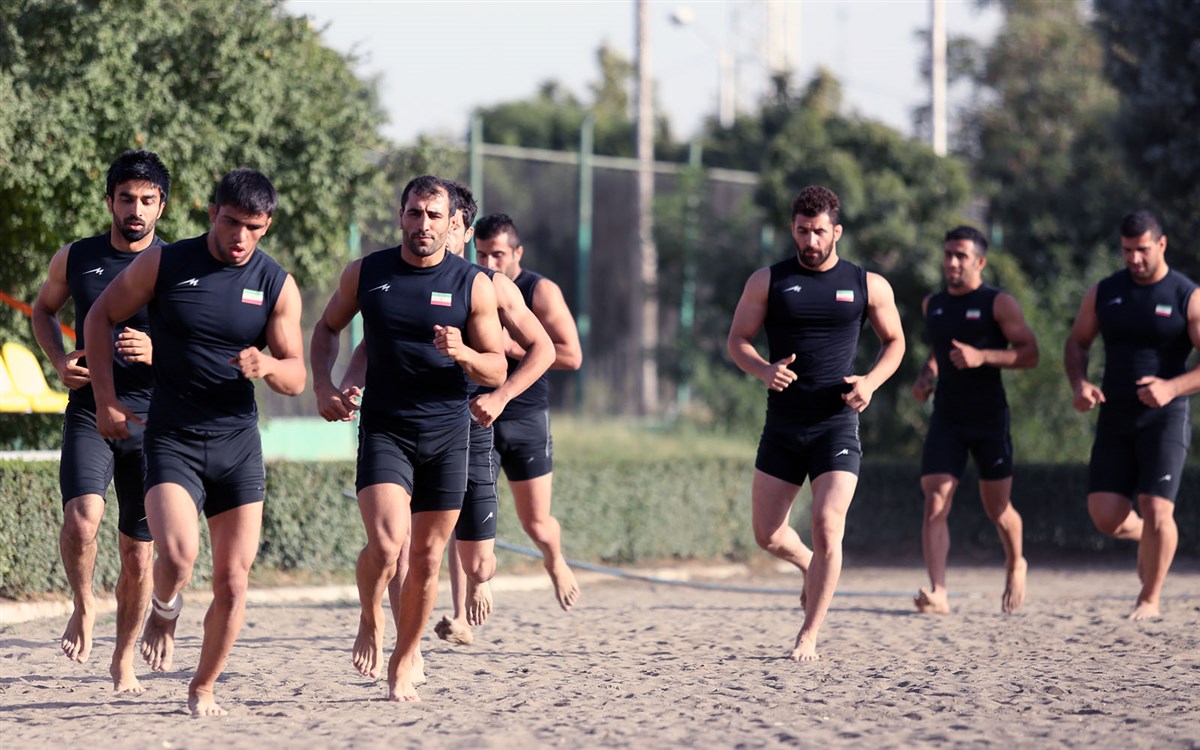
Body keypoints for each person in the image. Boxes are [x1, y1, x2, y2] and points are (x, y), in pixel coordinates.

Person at [84, 167, 306, 716]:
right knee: (179, 556)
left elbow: (296, 376)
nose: (240, 237)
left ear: (267, 225)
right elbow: (99, 316)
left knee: (233, 582)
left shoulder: (275, 283)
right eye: (231, 222)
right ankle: (165, 607)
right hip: (173, 440)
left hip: (237, 447)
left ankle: (202, 686)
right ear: (212, 213)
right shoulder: (166, 262)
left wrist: (268, 365)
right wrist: (107, 400)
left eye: (253, 227)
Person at [310, 175, 506, 702]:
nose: (423, 224)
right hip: (386, 427)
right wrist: (325, 384)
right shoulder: (367, 273)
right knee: (386, 544)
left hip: (447, 434)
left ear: (451, 223)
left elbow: (497, 367)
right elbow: (327, 328)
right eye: (415, 213)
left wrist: (463, 353)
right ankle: (370, 615)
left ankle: (404, 656)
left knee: (426, 558)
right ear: (400, 216)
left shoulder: (473, 284)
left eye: (434, 215)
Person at [726, 185, 905, 661]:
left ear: (836, 232)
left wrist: (871, 382)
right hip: (783, 426)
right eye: (803, 231)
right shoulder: (767, 281)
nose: (810, 241)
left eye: (819, 232)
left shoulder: (868, 285)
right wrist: (763, 369)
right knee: (767, 535)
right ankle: (809, 564)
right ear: (792, 228)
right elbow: (737, 340)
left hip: (836, 426)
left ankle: (809, 633)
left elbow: (895, 343)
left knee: (828, 526)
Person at [30, 150, 170, 692]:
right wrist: (58, 360)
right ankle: (84, 605)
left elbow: (205, 343)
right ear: (109, 200)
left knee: (137, 554)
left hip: (153, 421)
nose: (136, 210)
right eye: (126, 198)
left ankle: (124, 657)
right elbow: (43, 309)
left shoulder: (176, 264)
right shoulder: (76, 257)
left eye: (147, 200)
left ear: (161, 206)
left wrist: (158, 352)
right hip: (90, 410)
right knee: (82, 520)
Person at [1064, 210, 1199, 621]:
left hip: (1166, 416)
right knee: (1105, 517)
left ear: (1161, 245)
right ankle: (1149, 537)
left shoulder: (1187, 295)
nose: (1134, 258)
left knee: (1158, 509)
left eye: (1142, 250)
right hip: (1116, 415)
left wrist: (1170, 388)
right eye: (1127, 251)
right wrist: (1080, 383)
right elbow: (1077, 343)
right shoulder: (1105, 292)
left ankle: (1149, 599)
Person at [911, 226, 1038, 615]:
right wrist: (927, 375)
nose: (952, 262)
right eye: (948, 254)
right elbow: (938, 349)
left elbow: (1029, 353)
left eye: (961, 256)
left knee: (998, 509)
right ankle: (939, 592)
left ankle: (1016, 562)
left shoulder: (999, 303)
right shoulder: (932, 304)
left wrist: (983, 357)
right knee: (935, 500)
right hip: (947, 417)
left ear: (980, 262)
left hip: (989, 418)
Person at [472, 213, 584, 612]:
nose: (489, 264)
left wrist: (514, 346)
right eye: (481, 254)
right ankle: (463, 609)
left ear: (517, 253)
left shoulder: (540, 291)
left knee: (536, 523)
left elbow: (571, 355)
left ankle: (554, 560)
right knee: (465, 516)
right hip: (479, 415)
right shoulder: (468, 284)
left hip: (526, 417)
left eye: (497, 255)